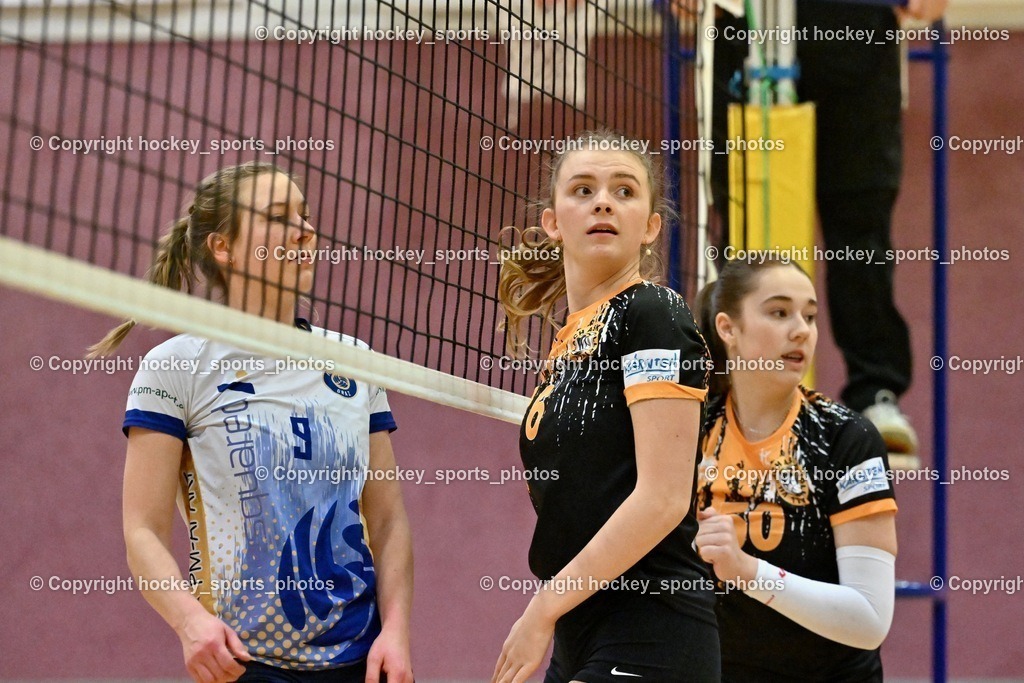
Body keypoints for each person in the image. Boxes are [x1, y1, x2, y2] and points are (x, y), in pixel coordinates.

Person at [89, 162, 414, 683]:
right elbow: (143, 531)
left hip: (358, 660)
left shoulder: (355, 360)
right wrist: (189, 622)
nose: (305, 230)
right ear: (225, 247)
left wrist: (396, 632)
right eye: (278, 216)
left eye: (306, 215)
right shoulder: (177, 365)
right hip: (244, 663)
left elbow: (390, 522)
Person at [494, 131, 720, 683]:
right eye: (583, 189)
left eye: (624, 190)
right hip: (583, 627)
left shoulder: (652, 313)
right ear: (552, 222)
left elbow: (664, 498)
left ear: (650, 227)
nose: (603, 201)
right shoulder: (568, 342)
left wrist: (542, 608)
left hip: (653, 626)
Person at [708, 0, 948, 466]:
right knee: (746, 224)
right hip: (748, 23)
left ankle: (873, 393)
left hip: (855, 23)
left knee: (861, 223)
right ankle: (749, 393)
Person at [694, 255, 898, 681]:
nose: (802, 330)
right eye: (779, 312)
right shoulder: (690, 432)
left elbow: (870, 619)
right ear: (728, 328)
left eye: (809, 315)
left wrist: (748, 572)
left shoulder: (847, 439)